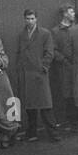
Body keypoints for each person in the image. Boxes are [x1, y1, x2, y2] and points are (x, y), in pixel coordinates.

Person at [16, 10, 60, 142]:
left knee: (45, 105)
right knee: (30, 106)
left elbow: (49, 52)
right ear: (24, 19)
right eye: (27, 18)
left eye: (32, 18)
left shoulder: (45, 33)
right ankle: (32, 132)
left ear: (36, 19)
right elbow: (18, 53)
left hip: (39, 74)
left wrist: (44, 67)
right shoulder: (21, 35)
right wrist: (20, 69)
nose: (29, 21)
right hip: (27, 73)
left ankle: (53, 133)